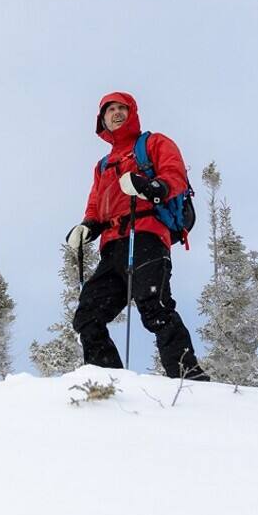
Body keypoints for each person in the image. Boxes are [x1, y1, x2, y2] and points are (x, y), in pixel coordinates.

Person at [66, 91, 209, 381]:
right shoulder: (103, 165)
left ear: (133, 113)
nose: (116, 113)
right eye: (110, 110)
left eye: (122, 108)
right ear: (102, 119)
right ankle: (108, 383)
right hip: (112, 246)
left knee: (154, 306)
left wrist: (151, 186)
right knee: (87, 316)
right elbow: (95, 204)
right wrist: (88, 226)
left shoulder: (154, 143)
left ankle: (189, 378)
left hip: (147, 237)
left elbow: (175, 176)